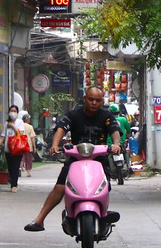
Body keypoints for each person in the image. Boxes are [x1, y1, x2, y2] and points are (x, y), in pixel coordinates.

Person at [24, 87, 122, 231]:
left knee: (104, 187)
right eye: (91, 99)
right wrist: (55, 146)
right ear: (84, 99)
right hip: (76, 158)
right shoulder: (73, 114)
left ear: (102, 101)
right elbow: (61, 129)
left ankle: (104, 214)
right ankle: (40, 219)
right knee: (60, 187)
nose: (94, 103)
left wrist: (116, 145)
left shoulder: (107, 116)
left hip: (100, 159)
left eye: (98, 100)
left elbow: (114, 131)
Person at [0, 106, 25, 191]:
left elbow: (20, 134)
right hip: (8, 149)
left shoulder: (19, 122)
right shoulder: (6, 124)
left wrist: (13, 126)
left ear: (17, 113)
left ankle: (14, 185)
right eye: (11, 110)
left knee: (15, 166)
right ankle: (12, 181)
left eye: (14, 111)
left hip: (17, 149)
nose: (13, 112)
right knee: (10, 167)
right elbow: (3, 137)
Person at [20, 112, 38, 176]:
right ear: (27, 120)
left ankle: (20, 167)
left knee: (22, 158)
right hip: (28, 145)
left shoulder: (20, 126)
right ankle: (28, 172)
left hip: (21, 144)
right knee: (28, 159)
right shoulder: (30, 127)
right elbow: (32, 137)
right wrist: (34, 147)